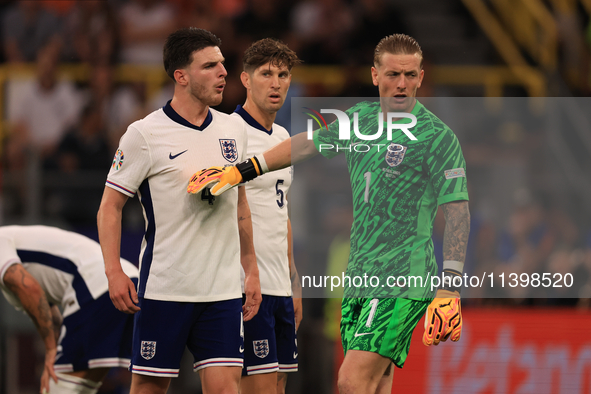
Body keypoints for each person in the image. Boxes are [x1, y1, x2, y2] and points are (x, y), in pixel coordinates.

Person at [189, 34, 470, 394]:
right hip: (359, 276)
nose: (402, 84)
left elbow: (458, 211)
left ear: (421, 76)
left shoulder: (437, 137)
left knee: (351, 382)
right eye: (393, 74)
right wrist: (245, 169)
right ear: (374, 75)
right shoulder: (360, 121)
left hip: (401, 276)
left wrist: (450, 285)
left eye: (411, 75)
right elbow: (306, 144)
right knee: (375, 384)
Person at [96, 27, 262, 394]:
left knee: (226, 389)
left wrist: (250, 270)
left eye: (222, 63)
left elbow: (241, 206)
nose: (223, 72)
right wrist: (112, 271)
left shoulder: (235, 129)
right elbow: (110, 207)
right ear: (181, 76)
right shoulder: (144, 134)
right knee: (148, 389)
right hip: (166, 289)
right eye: (209, 66)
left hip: (221, 290)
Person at [232, 38, 302, 394]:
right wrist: (247, 273)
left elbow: (282, 211)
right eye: (266, 73)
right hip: (247, 286)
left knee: (278, 385)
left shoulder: (284, 136)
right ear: (245, 79)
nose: (276, 83)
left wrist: (294, 281)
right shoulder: (230, 133)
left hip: (280, 285)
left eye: (283, 74)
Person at [0, 225, 139, 394]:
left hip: (95, 286)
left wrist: (51, 350)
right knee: (81, 389)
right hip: (126, 282)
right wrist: (55, 350)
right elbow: (49, 313)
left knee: (55, 386)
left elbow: (30, 289)